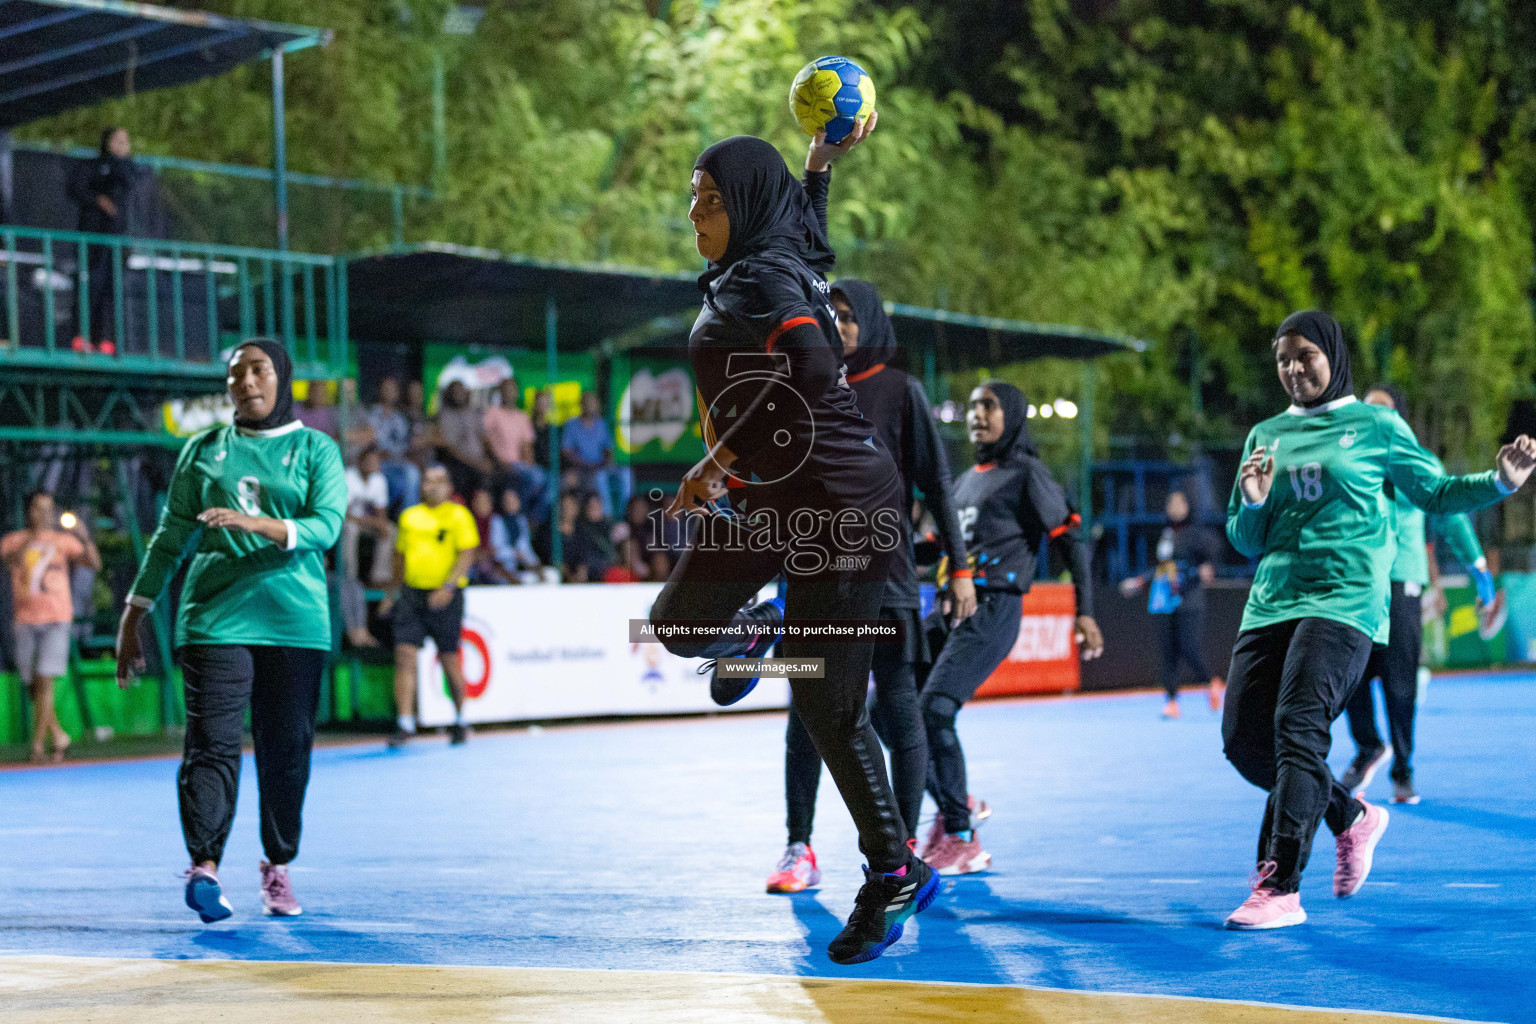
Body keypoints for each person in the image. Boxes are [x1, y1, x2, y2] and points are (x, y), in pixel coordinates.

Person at [649, 125, 946, 966]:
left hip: (845, 509)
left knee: (829, 707)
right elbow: (806, 232)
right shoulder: (777, 259)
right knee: (680, 627)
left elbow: (813, 380)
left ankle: (892, 873)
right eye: (694, 195)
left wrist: (718, 460)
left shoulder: (765, 278)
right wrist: (819, 165)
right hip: (784, 499)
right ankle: (756, 632)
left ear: (741, 206)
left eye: (707, 197)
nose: (693, 210)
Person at [1220, 311, 1533, 931]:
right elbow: (1244, 538)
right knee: (1242, 742)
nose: (1293, 368)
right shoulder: (1265, 434)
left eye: (1305, 354)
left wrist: (1500, 481)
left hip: (1345, 599)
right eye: (1283, 358)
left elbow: (1437, 495)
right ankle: (1352, 816)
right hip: (1273, 600)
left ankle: (1280, 885)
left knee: (1298, 724)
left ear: (1333, 355)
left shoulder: (1375, 424)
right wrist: (1252, 502)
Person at [115, 338, 346, 923]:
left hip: (294, 619)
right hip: (215, 615)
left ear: (281, 377)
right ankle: (205, 868)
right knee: (211, 744)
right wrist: (134, 613)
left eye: (258, 370)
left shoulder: (316, 449)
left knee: (285, 749)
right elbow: (170, 538)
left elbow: (326, 525)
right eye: (235, 374)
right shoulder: (204, 451)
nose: (246, 382)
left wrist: (261, 524)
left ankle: (277, 865)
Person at [767, 277, 974, 894]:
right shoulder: (803, 391)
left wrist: (959, 569)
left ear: (874, 322)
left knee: (897, 710)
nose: (841, 324)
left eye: (851, 316)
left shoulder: (900, 392)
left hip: (884, 580)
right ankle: (798, 847)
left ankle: (901, 853)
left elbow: (937, 485)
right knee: (805, 713)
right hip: (813, 579)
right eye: (832, 315)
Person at [917, 380, 1103, 876]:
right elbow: (932, 551)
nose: (978, 414)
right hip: (948, 606)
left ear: (1013, 415)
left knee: (935, 709)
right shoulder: (961, 482)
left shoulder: (1027, 475)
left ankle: (960, 836)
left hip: (994, 605)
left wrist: (1083, 612)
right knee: (886, 711)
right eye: (974, 406)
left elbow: (1069, 540)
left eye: (990, 406)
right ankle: (960, 803)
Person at [1337, 383, 1495, 806]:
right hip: (1354, 586)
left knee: (1400, 684)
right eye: (1366, 409)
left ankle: (1403, 768)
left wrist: (1480, 571)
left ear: (1399, 420)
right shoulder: (1347, 464)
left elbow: (1451, 517)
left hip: (1401, 584)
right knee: (1346, 677)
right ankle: (1369, 746)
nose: (1373, 417)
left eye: (1382, 410)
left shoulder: (1421, 464)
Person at [380, 464, 479, 747]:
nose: (431, 486)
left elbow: (467, 554)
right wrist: (391, 594)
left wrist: (448, 587)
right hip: (412, 595)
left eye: (438, 481)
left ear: (448, 486)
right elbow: (399, 558)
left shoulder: (458, 515)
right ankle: (405, 723)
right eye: (427, 481)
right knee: (404, 655)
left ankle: (460, 719)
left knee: (448, 658)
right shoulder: (410, 517)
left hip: (445, 597)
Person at [3, 490, 101, 763]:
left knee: (45, 679)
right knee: (33, 685)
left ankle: (36, 746)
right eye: (37, 508)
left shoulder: (63, 541)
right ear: (28, 511)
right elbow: (11, 562)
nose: (43, 514)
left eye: (48, 508)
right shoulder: (14, 541)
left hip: (56, 618)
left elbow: (93, 563)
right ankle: (58, 734)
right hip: (25, 619)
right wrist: (33, 537)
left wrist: (82, 534)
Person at [1119, 490, 1225, 718]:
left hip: (1190, 599)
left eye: (1180, 503)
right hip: (1163, 599)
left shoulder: (1199, 533)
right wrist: (1139, 583)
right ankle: (1172, 700)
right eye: (1171, 503)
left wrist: (1209, 567)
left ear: (1188, 506)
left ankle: (1210, 683)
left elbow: (1213, 558)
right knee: (1168, 650)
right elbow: (1160, 567)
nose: (1175, 507)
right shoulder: (1164, 534)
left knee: (1189, 646)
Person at [67, 127, 134, 353]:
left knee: (111, 289)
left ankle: (106, 338)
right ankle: (82, 335)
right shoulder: (92, 166)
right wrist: (98, 201)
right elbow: (75, 188)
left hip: (116, 241)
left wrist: (120, 161)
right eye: (117, 140)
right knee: (89, 286)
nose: (121, 145)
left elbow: (126, 181)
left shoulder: (128, 170)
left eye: (125, 141)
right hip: (92, 239)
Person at [341, 446, 394, 648]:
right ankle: (350, 570)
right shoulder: (349, 477)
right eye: (369, 461)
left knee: (389, 529)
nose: (373, 465)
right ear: (361, 461)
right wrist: (366, 521)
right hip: (347, 522)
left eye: (376, 462)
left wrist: (376, 524)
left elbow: (381, 516)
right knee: (350, 529)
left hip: (364, 523)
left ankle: (380, 576)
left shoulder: (378, 480)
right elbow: (343, 512)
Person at [483, 376, 550, 525]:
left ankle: (534, 522)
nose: (509, 392)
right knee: (524, 480)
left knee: (546, 480)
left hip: (520, 465)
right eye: (505, 389)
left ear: (517, 392)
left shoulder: (522, 417)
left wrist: (530, 466)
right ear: (500, 392)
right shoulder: (493, 413)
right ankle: (521, 519)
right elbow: (485, 441)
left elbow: (527, 446)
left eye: (512, 389)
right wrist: (498, 461)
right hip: (501, 463)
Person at [562, 390, 630, 518]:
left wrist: (606, 462)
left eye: (593, 403)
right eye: (587, 403)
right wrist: (585, 464)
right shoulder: (572, 425)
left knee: (626, 474)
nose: (590, 406)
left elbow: (608, 449)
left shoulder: (601, 424)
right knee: (600, 478)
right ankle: (607, 516)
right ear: (581, 404)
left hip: (601, 466)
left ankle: (624, 514)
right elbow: (566, 451)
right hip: (582, 469)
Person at [365, 377, 421, 512]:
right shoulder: (370, 413)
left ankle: (409, 518)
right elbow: (368, 440)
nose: (390, 392)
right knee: (397, 483)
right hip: (377, 462)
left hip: (398, 461)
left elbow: (405, 444)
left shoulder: (400, 417)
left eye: (393, 389)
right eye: (386, 388)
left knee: (412, 472)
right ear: (379, 391)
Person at [435, 381, 493, 499]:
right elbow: (450, 448)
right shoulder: (445, 415)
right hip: (459, 461)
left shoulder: (474, 412)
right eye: (455, 392)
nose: (459, 394)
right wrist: (476, 463)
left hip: (480, 459)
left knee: (501, 474)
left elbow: (484, 439)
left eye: (461, 391)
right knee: (470, 476)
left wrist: (488, 458)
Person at [488, 488, 544, 584]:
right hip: (503, 564)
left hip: (521, 564)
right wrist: (514, 553)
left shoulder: (521, 521)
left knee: (547, 575)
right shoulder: (497, 521)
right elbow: (496, 550)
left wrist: (534, 562)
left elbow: (526, 547)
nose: (510, 504)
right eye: (507, 501)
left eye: (513, 500)